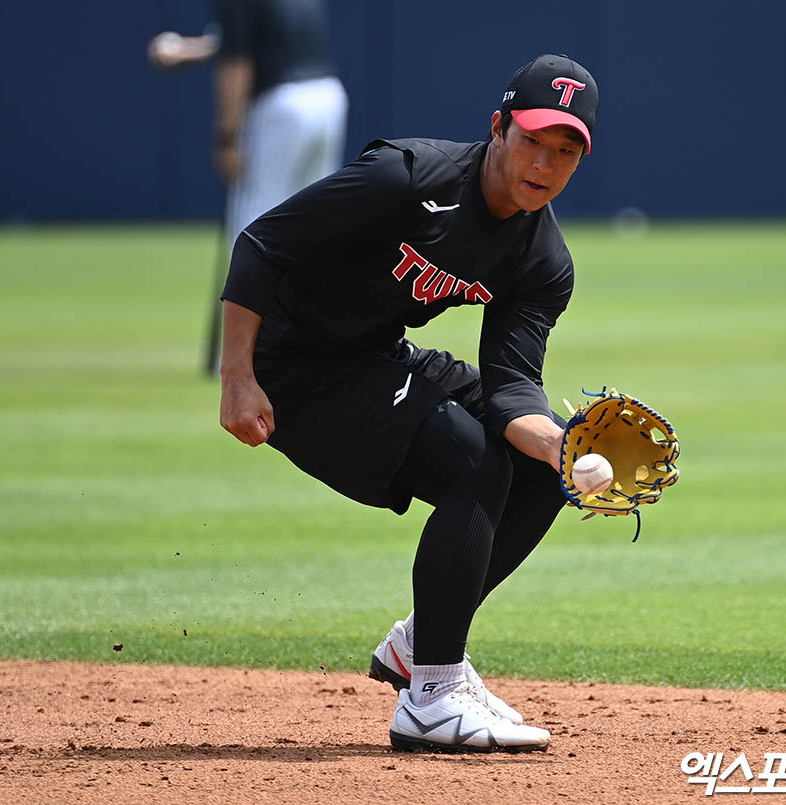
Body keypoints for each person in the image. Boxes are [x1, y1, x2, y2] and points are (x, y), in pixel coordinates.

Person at [217, 53, 599, 753]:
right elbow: (263, 242)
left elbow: (512, 384)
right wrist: (237, 373)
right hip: (292, 365)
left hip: (370, 355)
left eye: (565, 150)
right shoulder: (409, 176)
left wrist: (559, 446)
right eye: (533, 140)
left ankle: (422, 648)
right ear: (498, 129)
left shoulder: (542, 261)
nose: (545, 163)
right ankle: (432, 697)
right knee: (474, 461)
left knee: (540, 467)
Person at [148, 0, 349, 252]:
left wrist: (227, 138)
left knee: (255, 228)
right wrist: (189, 50)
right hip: (327, 98)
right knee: (311, 225)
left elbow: (236, 61)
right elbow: (264, 35)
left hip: (282, 105)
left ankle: (245, 292)